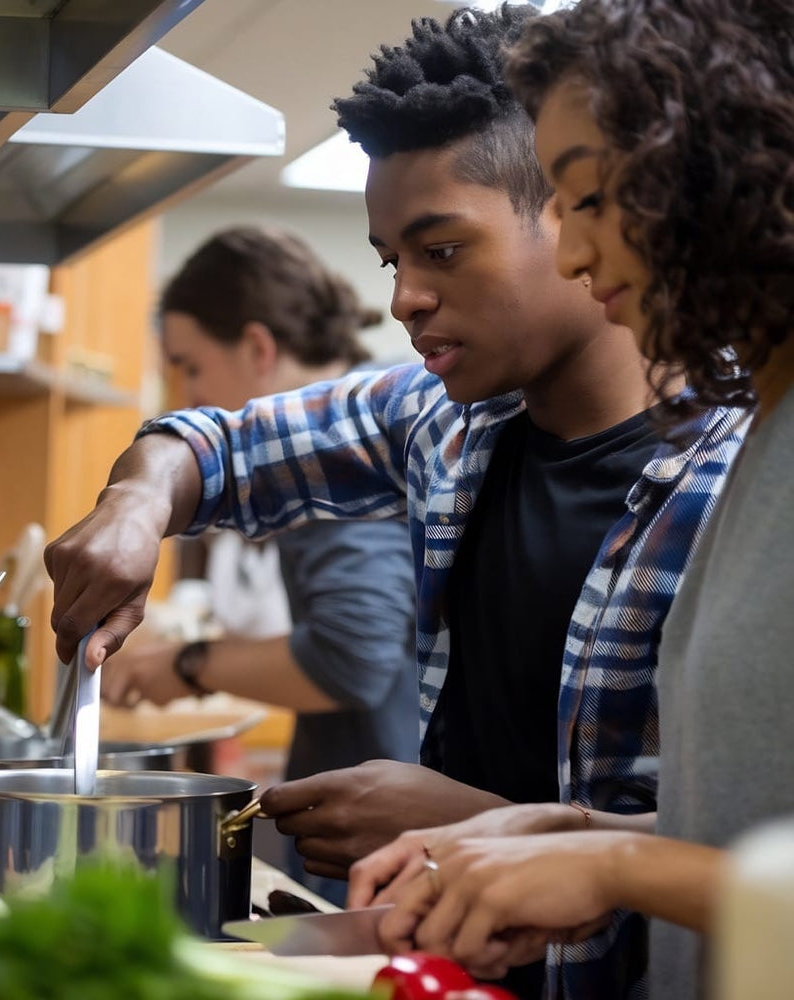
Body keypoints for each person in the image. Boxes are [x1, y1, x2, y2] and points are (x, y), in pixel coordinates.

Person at [44, 7, 748, 996]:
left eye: (442, 250)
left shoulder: (740, 468)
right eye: (391, 260)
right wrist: (134, 500)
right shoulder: (443, 418)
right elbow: (221, 443)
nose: (405, 297)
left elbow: (746, 846)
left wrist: (464, 814)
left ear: (577, 212)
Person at [346, 2, 793, 998]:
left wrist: (613, 862)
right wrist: (577, 834)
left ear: (723, 174)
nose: (579, 254)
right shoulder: (763, 435)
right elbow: (756, 833)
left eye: (587, 199)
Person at [100, 226, 420, 904]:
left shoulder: (336, 456)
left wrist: (185, 665)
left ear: (258, 348)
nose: (185, 395)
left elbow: (352, 657)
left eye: (189, 366)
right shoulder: (359, 431)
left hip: (385, 840)